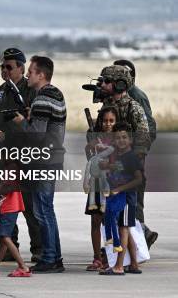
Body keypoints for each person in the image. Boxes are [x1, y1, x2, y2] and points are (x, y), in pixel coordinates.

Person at [0, 48, 42, 262]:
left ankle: (39, 248)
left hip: (26, 157)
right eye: (2, 67)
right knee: (4, 204)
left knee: (29, 204)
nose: (5, 71)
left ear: (21, 68)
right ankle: (8, 247)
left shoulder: (32, 91)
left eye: (9, 67)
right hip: (2, 158)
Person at [13, 56, 66, 273]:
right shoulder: (55, 94)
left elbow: (36, 134)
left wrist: (22, 122)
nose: (27, 75)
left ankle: (50, 258)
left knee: (43, 210)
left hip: (43, 161)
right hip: (51, 159)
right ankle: (54, 256)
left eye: (31, 72)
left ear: (41, 74)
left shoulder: (43, 98)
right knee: (46, 209)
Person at [113, 59, 157, 248]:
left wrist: (138, 156)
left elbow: (148, 129)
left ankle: (140, 237)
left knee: (133, 199)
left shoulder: (136, 96)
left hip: (132, 158)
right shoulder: (116, 96)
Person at [99, 123, 143, 276]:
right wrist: (107, 166)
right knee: (126, 229)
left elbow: (139, 179)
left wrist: (119, 189)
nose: (121, 140)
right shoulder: (121, 156)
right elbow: (118, 169)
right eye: (117, 138)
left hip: (126, 198)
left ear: (130, 139)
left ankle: (118, 266)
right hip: (120, 198)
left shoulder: (131, 157)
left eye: (124, 137)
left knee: (123, 229)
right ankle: (134, 264)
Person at [84, 106, 119, 271]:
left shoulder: (120, 139)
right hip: (96, 184)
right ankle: (97, 257)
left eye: (111, 120)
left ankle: (111, 257)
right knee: (95, 221)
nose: (108, 124)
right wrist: (90, 148)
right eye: (105, 121)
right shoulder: (96, 137)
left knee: (111, 221)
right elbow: (91, 161)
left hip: (112, 184)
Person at [0, 161, 31, 278]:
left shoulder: (11, 167)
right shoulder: (8, 166)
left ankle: (23, 267)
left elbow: (8, 187)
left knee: (4, 236)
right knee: (4, 241)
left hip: (9, 208)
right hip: (8, 207)